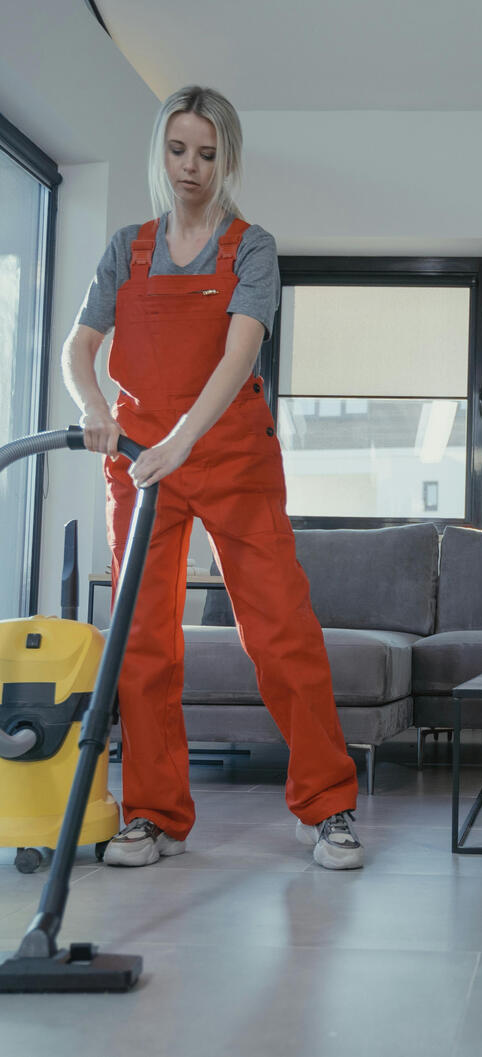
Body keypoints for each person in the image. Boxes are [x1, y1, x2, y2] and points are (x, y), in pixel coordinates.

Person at [61, 86, 363, 870]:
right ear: (159, 152)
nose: (191, 168)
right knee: (143, 642)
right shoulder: (126, 249)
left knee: (280, 630)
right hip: (139, 460)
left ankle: (326, 805)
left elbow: (240, 355)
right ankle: (155, 815)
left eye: (207, 153)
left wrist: (182, 441)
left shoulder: (249, 247)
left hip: (228, 451)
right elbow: (79, 345)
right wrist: (95, 406)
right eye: (178, 150)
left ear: (227, 159)